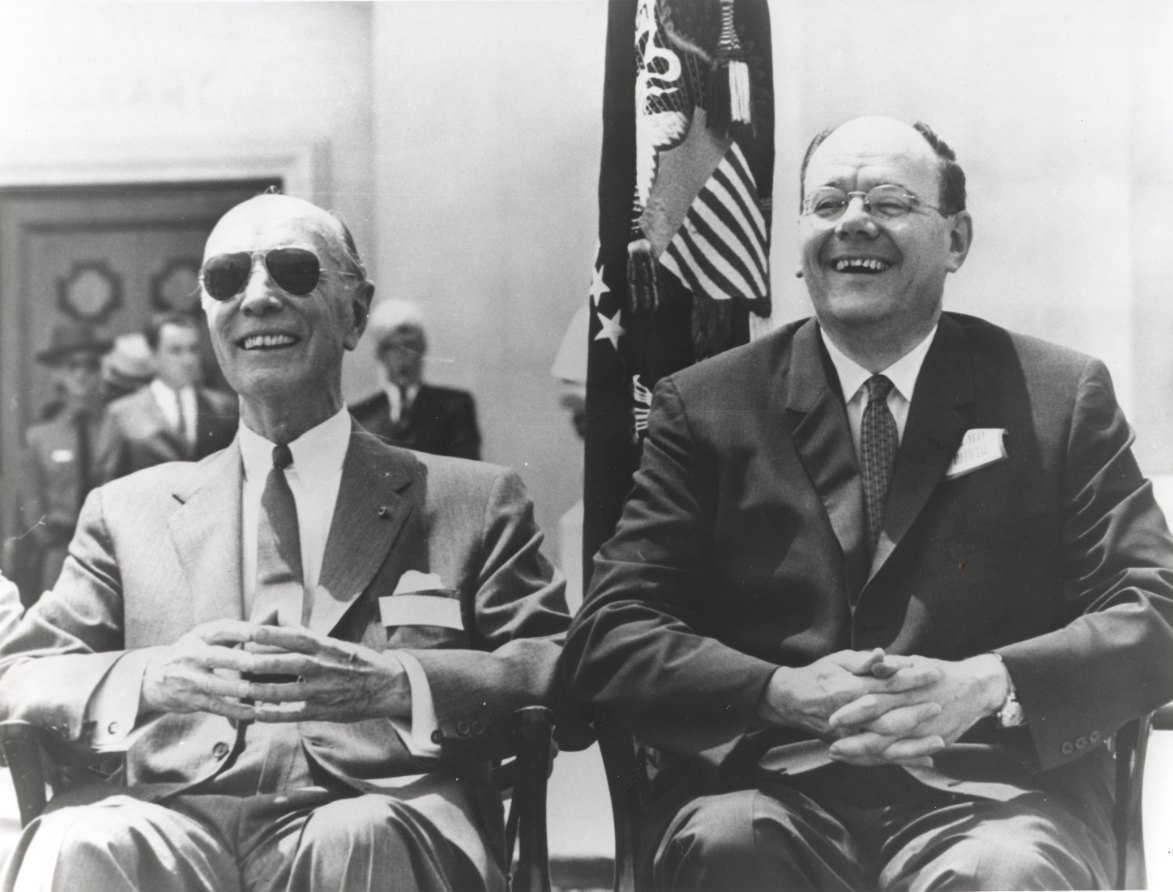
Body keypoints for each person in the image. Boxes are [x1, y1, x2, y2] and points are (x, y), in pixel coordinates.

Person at [563, 116, 1173, 890]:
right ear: (797, 240)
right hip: (764, 790)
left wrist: (985, 684)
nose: (853, 221)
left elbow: (1157, 607)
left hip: (993, 795)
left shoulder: (1057, 395)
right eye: (827, 204)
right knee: (725, 852)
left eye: (887, 202)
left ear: (955, 240)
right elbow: (612, 629)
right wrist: (777, 692)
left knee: (1005, 871)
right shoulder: (707, 404)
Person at [0, 193, 583, 892]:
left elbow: (560, 667)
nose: (257, 298)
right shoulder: (127, 512)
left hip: (376, 808)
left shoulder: (469, 499)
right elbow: (21, 675)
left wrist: (397, 685)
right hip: (170, 816)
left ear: (356, 313)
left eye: (293, 270)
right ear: (210, 318)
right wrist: (151, 677)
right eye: (225, 280)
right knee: (79, 839)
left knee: (358, 839)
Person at [6, 322, 112, 603]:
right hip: (59, 557)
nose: (80, 373)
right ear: (57, 373)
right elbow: (32, 511)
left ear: (99, 370)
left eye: (89, 365)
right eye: (70, 365)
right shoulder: (40, 437)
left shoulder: (116, 428)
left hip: (110, 555)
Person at [97, 312, 238, 482]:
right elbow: (108, 482)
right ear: (153, 355)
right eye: (175, 350)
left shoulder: (225, 408)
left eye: (193, 349)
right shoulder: (124, 413)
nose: (188, 360)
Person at [349, 300, 482, 460]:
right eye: (392, 347)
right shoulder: (361, 415)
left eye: (409, 345)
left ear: (422, 348)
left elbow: (468, 466)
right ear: (380, 354)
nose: (402, 355)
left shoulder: (454, 406)